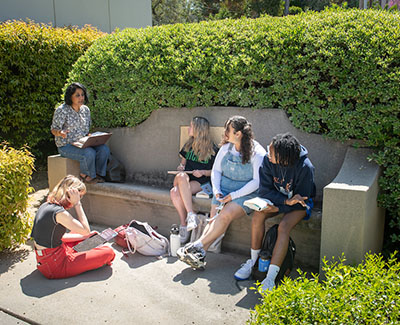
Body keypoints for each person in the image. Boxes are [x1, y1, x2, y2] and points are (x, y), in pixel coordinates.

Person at [177, 116, 266, 269]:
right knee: (213, 219)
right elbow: (216, 171)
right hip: (223, 189)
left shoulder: (257, 153)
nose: (224, 133)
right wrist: (217, 191)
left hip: (246, 193)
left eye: (228, 130)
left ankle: (196, 245)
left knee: (224, 215)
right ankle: (200, 255)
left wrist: (233, 196)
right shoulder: (226, 148)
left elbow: (257, 182)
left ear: (238, 134)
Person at [234, 133, 316, 292]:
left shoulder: (305, 168)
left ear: (284, 156)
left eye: (271, 152)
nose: (267, 154)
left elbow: (301, 200)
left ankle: (270, 278)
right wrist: (282, 203)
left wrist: (279, 207)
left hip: (300, 204)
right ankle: (253, 262)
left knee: (283, 227)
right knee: (258, 216)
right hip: (278, 200)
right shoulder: (268, 161)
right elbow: (264, 191)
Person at [30, 175, 115, 279]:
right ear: (69, 195)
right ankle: (93, 253)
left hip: (48, 257)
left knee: (81, 235)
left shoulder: (46, 205)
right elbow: (86, 230)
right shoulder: (59, 213)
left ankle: (87, 250)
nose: (80, 199)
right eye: (79, 196)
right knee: (108, 252)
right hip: (55, 266)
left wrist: (83, 237)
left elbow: (60, 237)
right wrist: (77, 204)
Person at [170, 116, 218, 244]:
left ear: (198, 129)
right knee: (181, 176)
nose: (188, 128)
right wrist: (181, 167)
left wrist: (203, 172)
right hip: (184, 178)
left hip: (200, 182)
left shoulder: (212, 149)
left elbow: (216, 172)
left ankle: (183, 224)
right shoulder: (188, 145)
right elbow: (183, 164)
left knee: (175, 192)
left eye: (191, 126)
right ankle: (191, 214)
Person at [51, 82, 109, 184]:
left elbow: (86, 129)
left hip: (83, 143)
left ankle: (98, 175)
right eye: (77, 95)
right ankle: (86, 176)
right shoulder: (62, 110)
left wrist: (91, 136)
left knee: (104, 149)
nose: (81, 97)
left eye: (82, 95)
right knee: (89, 153)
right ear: (70, 97)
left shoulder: (85, 110)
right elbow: (53, 130)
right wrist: (60, 132)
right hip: (66, 146)